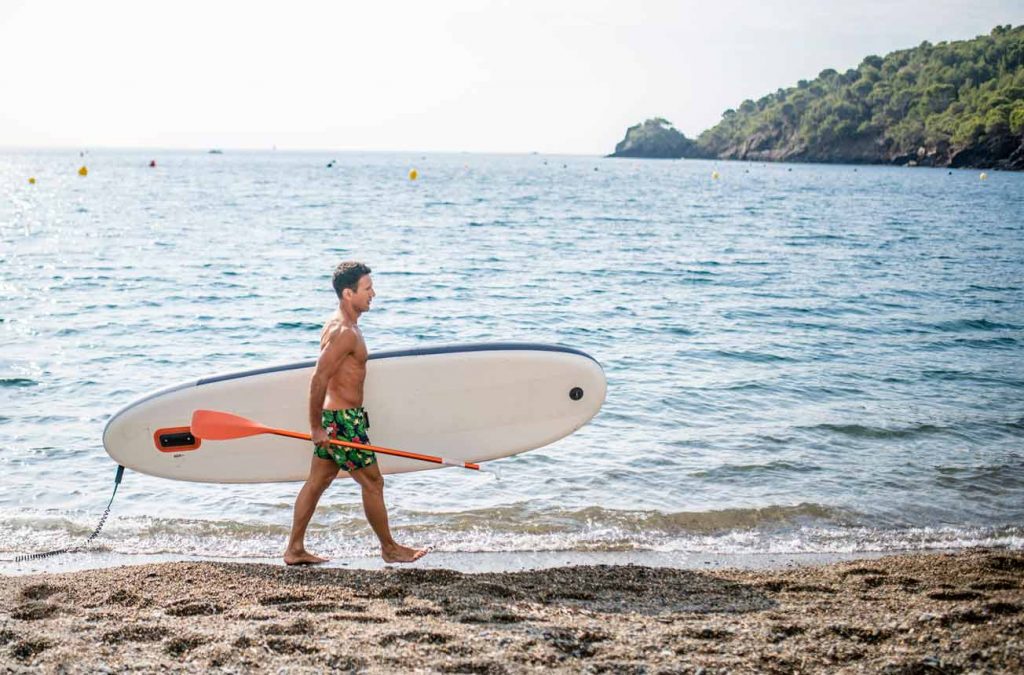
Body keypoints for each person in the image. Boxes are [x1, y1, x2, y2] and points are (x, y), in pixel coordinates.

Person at [284, 261, 427, 565]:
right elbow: (318, 378)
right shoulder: (343, 332)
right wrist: (316, 429)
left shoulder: (345, 326)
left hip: (337, 422)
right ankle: (389, 548)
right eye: (367, 288)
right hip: (342, 424)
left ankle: (294, 549)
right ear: (348, 293)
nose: (373, 293)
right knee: (373, 482)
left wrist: (322, 426)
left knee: (318, 482)